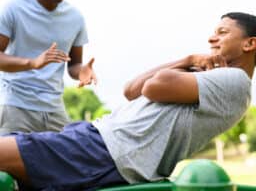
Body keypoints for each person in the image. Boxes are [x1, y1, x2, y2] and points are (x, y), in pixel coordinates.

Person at [0, 12, 255, 191]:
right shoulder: (212, 77)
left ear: (250, 43)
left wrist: (187, 63)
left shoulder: (236, 80)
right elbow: (132, 89)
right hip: (100, 142)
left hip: (108, 150)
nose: (212, 38)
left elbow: (155, 86)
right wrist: (187, 60)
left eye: (222, 33)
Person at [0, 0, 96, 134]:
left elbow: (74, 64)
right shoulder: (14, 9)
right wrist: (33, 63)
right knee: (8, 163)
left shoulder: (75, 18)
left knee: (65, 161)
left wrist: (82, 71)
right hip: (16, 106)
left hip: (54, 110)